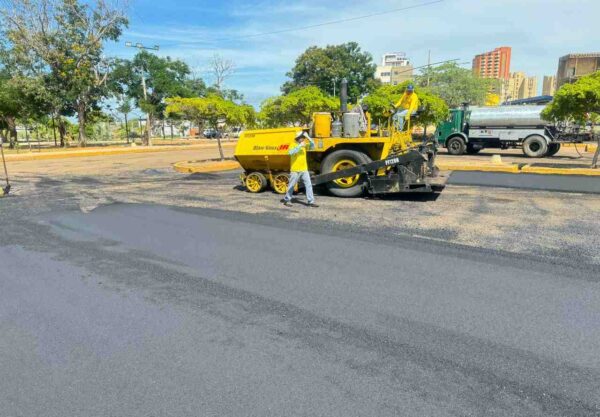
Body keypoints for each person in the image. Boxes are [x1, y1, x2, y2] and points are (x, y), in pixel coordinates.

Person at [283, 131, 318, 207]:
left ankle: (311, 202)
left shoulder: (304, 145)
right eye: (302, 138)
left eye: (303, 138)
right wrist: (299, 146)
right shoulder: (293, 145)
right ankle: (287, 200)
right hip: (295, 169)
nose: (303, 139)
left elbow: (313, 146)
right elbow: (290, 153)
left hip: (304, 169)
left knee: (308, 185)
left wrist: (308, 137)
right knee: (291, 185)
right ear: (298, 138)